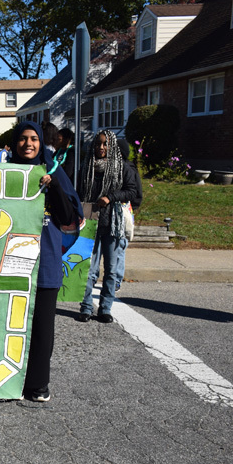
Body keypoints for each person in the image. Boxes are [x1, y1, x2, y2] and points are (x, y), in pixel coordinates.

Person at [10, 121, 82, 402]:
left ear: (41, 143)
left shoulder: (53, 171)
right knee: (10, 324)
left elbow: (68, 217)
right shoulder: (5, 172)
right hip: (11, 260)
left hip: (45, 260)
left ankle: (38, 384)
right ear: (14, 143)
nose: (28, 144)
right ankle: (9, 382)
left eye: (34, 139)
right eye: (22, 139)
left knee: (42, 327)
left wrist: (54, 188)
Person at [77, 130, 139, 324]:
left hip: (112, 223)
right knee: (89, 269)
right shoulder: (87, 167)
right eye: (98, 144)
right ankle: (86, 307)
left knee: (111, 270)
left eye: (105, 144)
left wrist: (110, 197)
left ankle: (105, 308)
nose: (101, 147)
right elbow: (77, 192)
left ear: (111, 146)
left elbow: (132, 191)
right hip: (90, 222)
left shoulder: (121, 167)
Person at [114, 138, 143, 291]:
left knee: (120, 245)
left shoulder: (128, 169)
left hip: (122, 210)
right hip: (114, 211)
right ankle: (115, 279)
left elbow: (137, 193)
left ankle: (116, 279)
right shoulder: (113, 167)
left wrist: (130, 207)